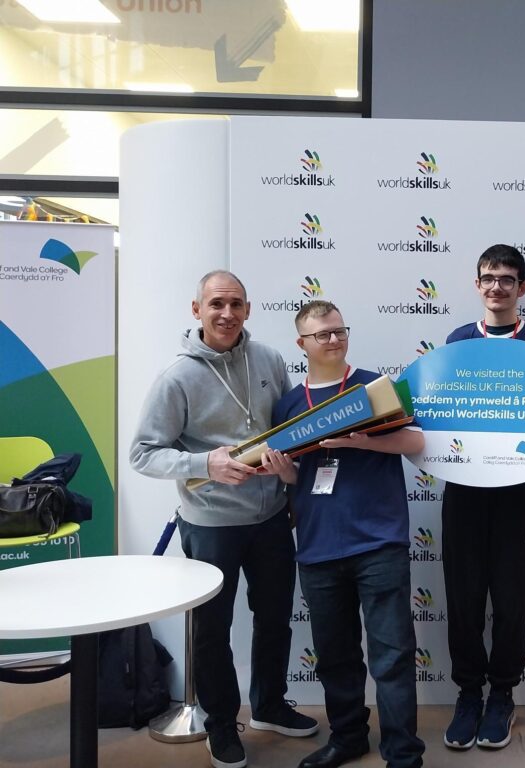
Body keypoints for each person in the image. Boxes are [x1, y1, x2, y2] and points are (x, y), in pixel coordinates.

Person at [130, 270, 318, 768]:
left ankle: (271, 705)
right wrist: (203, 464)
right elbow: (143, 455)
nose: (227, 314)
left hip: (273, 517)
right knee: (212, 631)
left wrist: (289, 472)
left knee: (276, 618)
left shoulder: (270, 360)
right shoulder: (177, 377)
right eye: (216, 304)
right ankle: (220, 725)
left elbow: (286, 431)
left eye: (236, 304)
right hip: (210, 524)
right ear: (197, 311)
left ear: (249, 309)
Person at [265, 300, 426, 768]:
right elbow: (296, 476)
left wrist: (364, 441)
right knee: (334, 656)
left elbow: (416, 442)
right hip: (317, 546)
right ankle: (348, 737)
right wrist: (286, 475)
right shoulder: (290, 404)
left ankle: (402, 752)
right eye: (323, 334)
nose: (334, 340)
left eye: (340, 331)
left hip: (379, 542)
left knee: (393, 655)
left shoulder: (374, 388)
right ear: (302, 345)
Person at [441, 244, 525, 750]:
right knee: (463, 599)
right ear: (476, 285)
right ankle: (469, 694)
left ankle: (503, 696)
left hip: (516, 491)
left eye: (507, 279)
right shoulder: (457, 340)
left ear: (523, 289)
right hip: (464, 489)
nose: (497, 287)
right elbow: (444, 409)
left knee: (512, 599)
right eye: (488, 278)